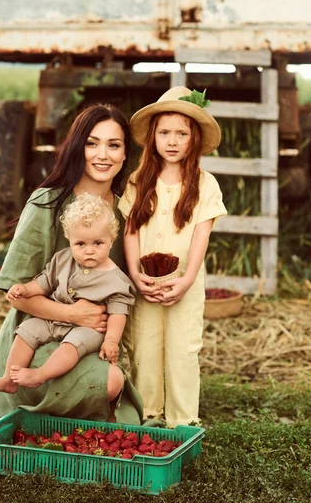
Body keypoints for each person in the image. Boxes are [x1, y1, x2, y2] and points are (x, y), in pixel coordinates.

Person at [0, 104, 143, 432]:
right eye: (92, 143)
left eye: (114, 145)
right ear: (76, 148)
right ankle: (25, 394)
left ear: (126, 154)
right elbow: (16, 295)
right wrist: (74, 315)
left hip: (91, 336)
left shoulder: (127, 210)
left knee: (112, 381)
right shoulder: (47, 202)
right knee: (109, 383)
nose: (103, 154)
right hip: (35, 334)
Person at [119, 86, 227, 428]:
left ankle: (183, 422)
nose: (172, 140)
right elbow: (131, 231)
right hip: (146, 282)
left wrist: (187, 279)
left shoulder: (205, 184)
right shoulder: (139, 181)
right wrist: (136, 276)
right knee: (145, 350)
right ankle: (148, 415)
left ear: (194, 139)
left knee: (182, 351)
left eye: (182, 133)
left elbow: (201, 235)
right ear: (153, 137)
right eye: (165, 132)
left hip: (184, 284)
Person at [0, 192, 135, 393]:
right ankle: (9, 379)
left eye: (98, 243)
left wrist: (111, 340)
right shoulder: (62, 259)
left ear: (112, 240)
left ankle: (40, 375)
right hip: (54, 321)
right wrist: (25, 289)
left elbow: (117, 313)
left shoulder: (116, 280)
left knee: (71, 345)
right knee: (27, 330)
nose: (89, 250)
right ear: (69, 239)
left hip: (89, 330)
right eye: (80, 244)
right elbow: (45, 281)